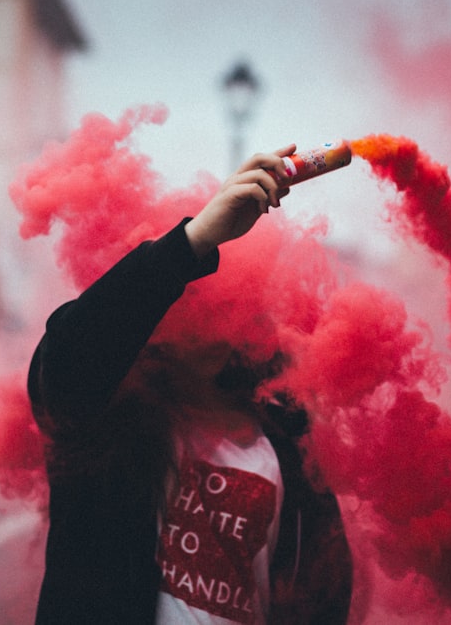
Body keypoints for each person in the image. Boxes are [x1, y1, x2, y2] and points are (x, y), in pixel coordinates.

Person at [27, 145, 353, 624]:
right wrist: (193, 241)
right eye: (195, 302)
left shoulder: (286, 437)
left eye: (231, 307)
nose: (214, 326)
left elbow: (323, 589)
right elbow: (70, 359)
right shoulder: (107, 418)